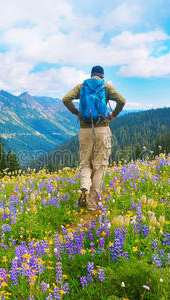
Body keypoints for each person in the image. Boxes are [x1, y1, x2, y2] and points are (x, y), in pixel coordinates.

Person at [62, 65, 126, 212]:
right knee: (100, 166)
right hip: (102, 129)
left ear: (91, 75)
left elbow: (66, 99)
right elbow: (122, 101)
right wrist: (113, 115)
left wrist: (77, 113)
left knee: (85, 163)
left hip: (85, 130)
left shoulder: (82, 86)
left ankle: (85, 184)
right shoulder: (106, 87)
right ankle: (92, 204)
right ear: (102, 76)